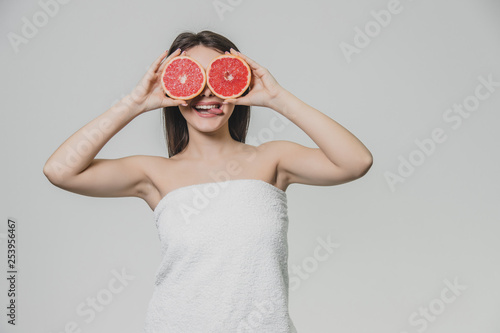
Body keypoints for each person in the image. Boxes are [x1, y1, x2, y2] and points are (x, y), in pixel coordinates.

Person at [43, 30, 373, 332]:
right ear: (171, 88)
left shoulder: (273, 160)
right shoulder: (154, 174)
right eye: (191, 78)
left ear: (239, 84)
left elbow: (356, 161)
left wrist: (277, 98)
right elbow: (60, 170)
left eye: (221, 76)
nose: (206, 92)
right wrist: (135, 103)